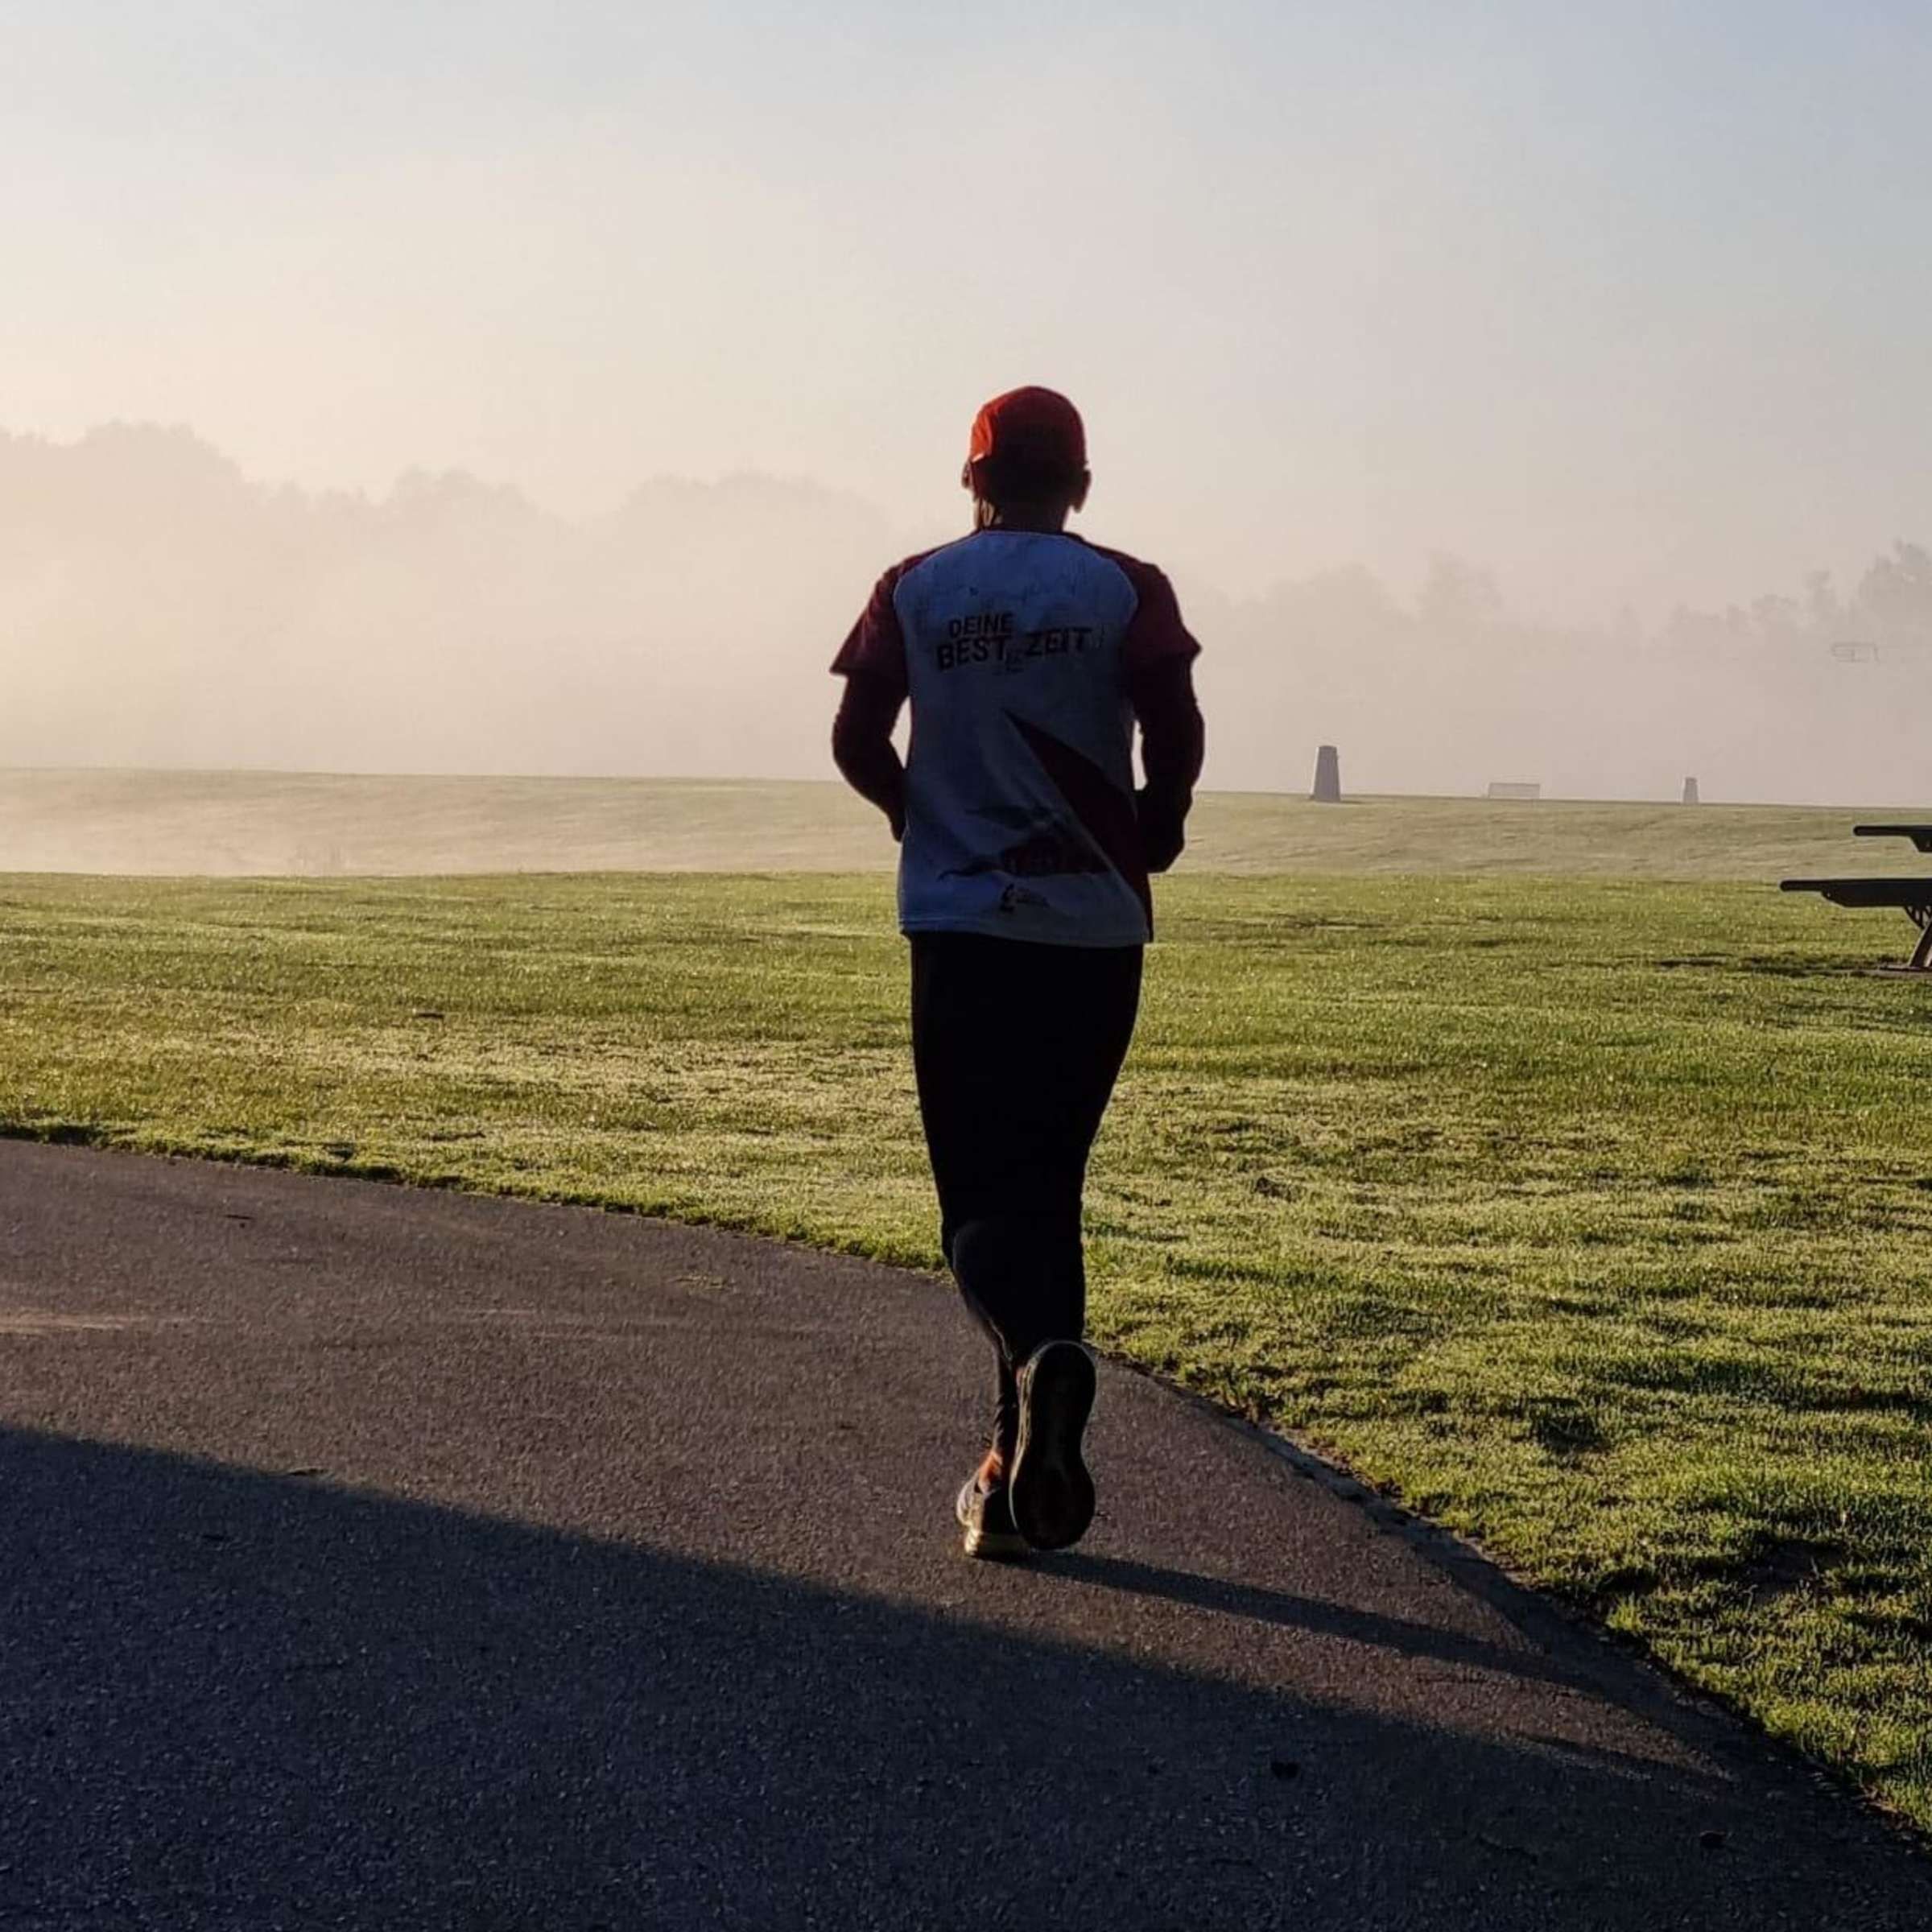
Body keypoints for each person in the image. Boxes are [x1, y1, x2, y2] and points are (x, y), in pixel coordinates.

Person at [829, 386, 1206, 1559]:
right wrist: (1159, 820)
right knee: (1050, 1189)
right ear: (1081, 485)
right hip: (1092, 933)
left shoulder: (915, 587)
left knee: (979, 1211)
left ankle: (1042, 1368)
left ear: (971, 480)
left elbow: (853, 738)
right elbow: (1176, 722)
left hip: (962, 929)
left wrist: (916, 815)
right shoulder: (1127, 587)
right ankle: (1007, 1471)